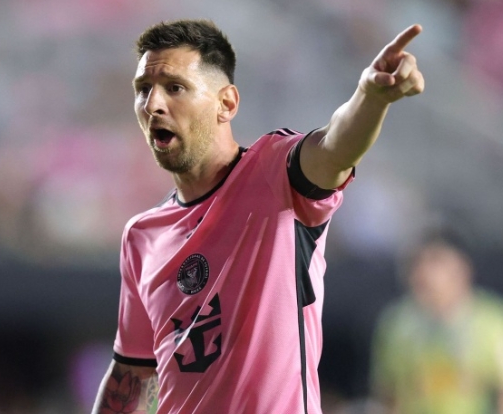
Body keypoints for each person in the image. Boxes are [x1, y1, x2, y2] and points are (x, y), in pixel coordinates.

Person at [92, 19, 424, 414]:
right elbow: (133, 373)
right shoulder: (142, 235)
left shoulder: (274, 173)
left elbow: (335, 147)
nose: (153, 105)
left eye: (174, 87)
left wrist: (370, 98)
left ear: (227, 104)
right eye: (143, 89)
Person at [370, 232, 503, 414]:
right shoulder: (396, 326)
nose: (425, 273)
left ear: (462, 269)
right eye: (417, 264)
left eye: (436, 262)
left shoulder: (493, 324)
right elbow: (388, 395)